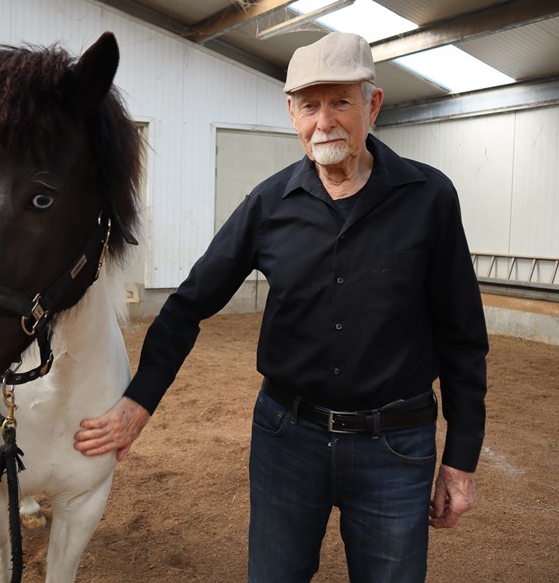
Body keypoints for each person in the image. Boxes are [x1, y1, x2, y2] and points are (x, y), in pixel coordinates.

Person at [74, 32, 488, 582]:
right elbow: (189, 304)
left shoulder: (429, 198)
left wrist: (460, 460)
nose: (325, 122)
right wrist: (138, 403)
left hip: (394, 445)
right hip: (287, 440)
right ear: (291, 113)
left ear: (373, 104)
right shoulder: (268, 204)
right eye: (310, 105)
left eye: (341, 101)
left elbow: (463, 337)